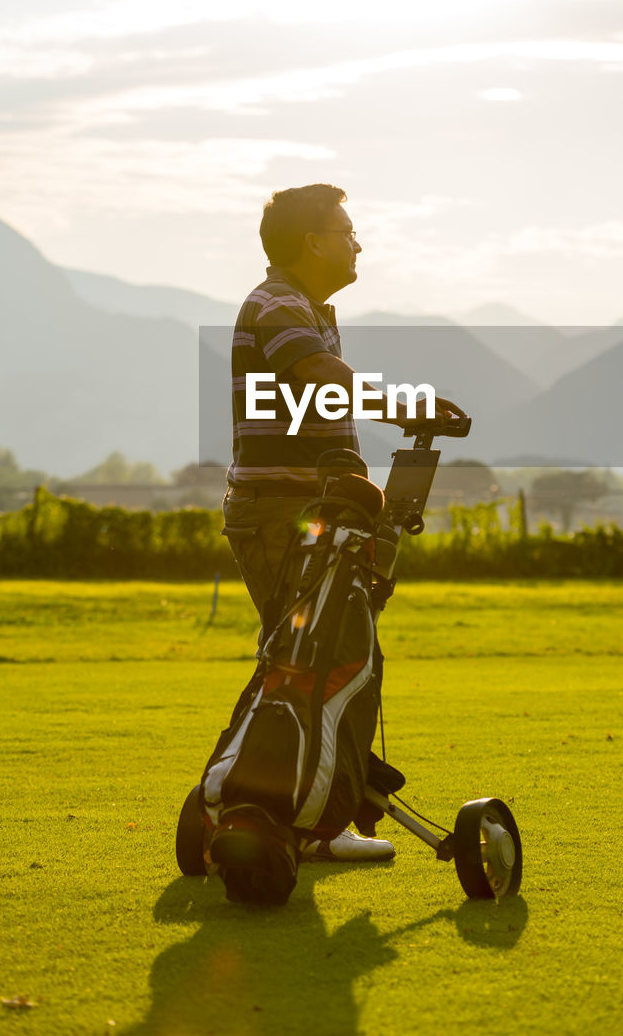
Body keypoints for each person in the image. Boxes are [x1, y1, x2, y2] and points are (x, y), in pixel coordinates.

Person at [219, 184, 460, 870]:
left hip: (313, 516)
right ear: (313, 242)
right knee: (309, 665)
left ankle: (305, 811)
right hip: (278, 517)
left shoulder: (309, 309)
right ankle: (296, 818)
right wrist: (405, 401)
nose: (359, 243)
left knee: (332, 661)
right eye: (348, 231)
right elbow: (321, 377)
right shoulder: (277, 306)